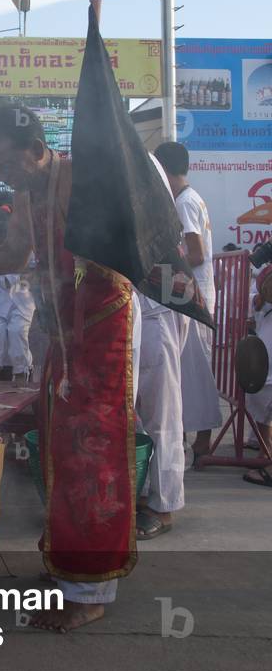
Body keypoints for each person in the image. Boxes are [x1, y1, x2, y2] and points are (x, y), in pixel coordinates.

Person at [0, 106, 138, 632]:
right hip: (64, 335)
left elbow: (122, 250)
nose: (2, 175)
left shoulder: (81, 179)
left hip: (104, 331)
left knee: (93, 452)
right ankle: (67, 570)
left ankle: (91, 588)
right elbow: (15, 255)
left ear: (34, 147)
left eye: (4, 160)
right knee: (61, 446)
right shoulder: (28, 193)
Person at [154, 142, 222, 461]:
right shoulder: (191, 198)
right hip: (193, 295)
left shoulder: (183, 203)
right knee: (190, 373)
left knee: (194, 374)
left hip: (191, 297)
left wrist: (163, 268)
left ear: (164, 171)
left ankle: (201, 442)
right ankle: (193, 439)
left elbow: (195, 254)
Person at [134, 154, 187, 540]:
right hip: (142, 305)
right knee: (136, 412)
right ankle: (142, 493)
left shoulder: (139, 164)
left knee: (161, 414)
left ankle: (163, 505)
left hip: (157, 305)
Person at [0, 199, 36, 386]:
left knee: (17, 331)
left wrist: (28, 277)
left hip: (21, 302)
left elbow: (38, 269)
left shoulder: (25, 251)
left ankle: (22, 373)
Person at [243, 265, 272, 485]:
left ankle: (267, 458)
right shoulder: (262, 302)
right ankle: (266, 450)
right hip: (265, 366)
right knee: (263, 410)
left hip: (266, 367)